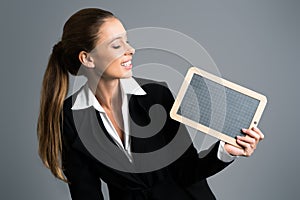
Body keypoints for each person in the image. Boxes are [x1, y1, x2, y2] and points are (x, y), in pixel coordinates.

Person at [37, 8, 264, 200]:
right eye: (117, 45)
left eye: (127, 41)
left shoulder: (157, 94)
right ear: (87, 58)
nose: (130, 50)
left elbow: (186, 169)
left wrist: (225, 151)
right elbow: (86, 193)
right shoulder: (69, 118)